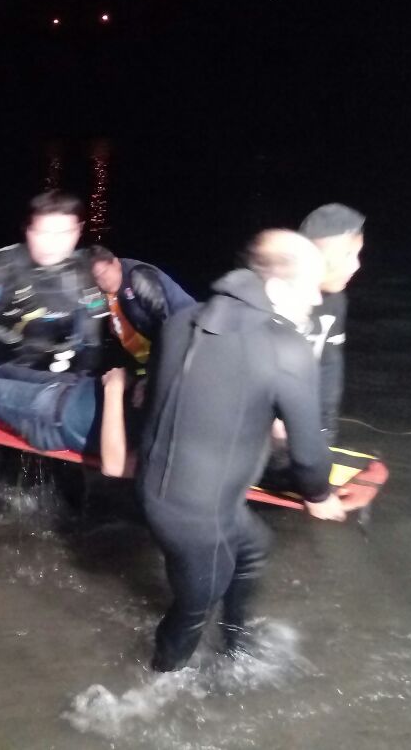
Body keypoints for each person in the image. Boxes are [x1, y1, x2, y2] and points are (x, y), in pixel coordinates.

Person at [137, 229, 348, 673]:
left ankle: (235, 647)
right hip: (198, 517)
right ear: (274, 286)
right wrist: (319, 496)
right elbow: (309, 456)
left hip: (162, 489)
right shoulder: (285, 348)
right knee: (194, 608)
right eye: (309, 285)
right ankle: (157, 684)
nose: (315, 297)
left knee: (254, 546)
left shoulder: (182, 319)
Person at [0, 191, 107, 374]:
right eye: (42, 232)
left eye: (65, 233)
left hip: (53, 374)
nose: (53, 243)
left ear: (79, 230)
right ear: (28, 230)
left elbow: (91, 341)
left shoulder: (87, 276)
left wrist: (83, 376)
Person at [0, 365, 139, 478]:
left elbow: (116, 467)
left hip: (52, 418)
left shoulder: (170, 451)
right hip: (71, 387)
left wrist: (114, 388)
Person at [297, 203, 365, 445]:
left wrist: (326, 434)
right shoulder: (273, 297)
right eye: (348, 255)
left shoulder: (335, 300)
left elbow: (329, 368)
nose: (357, 265)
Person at [88, 245, 196, 366]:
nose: (103, 281)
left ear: (115, 262)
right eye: (97, 278)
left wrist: (158, 370)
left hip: (188, 343)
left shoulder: (139, 277)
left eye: (104, 273)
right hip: (143, 358)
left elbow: (167, 323)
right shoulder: (99, 292)